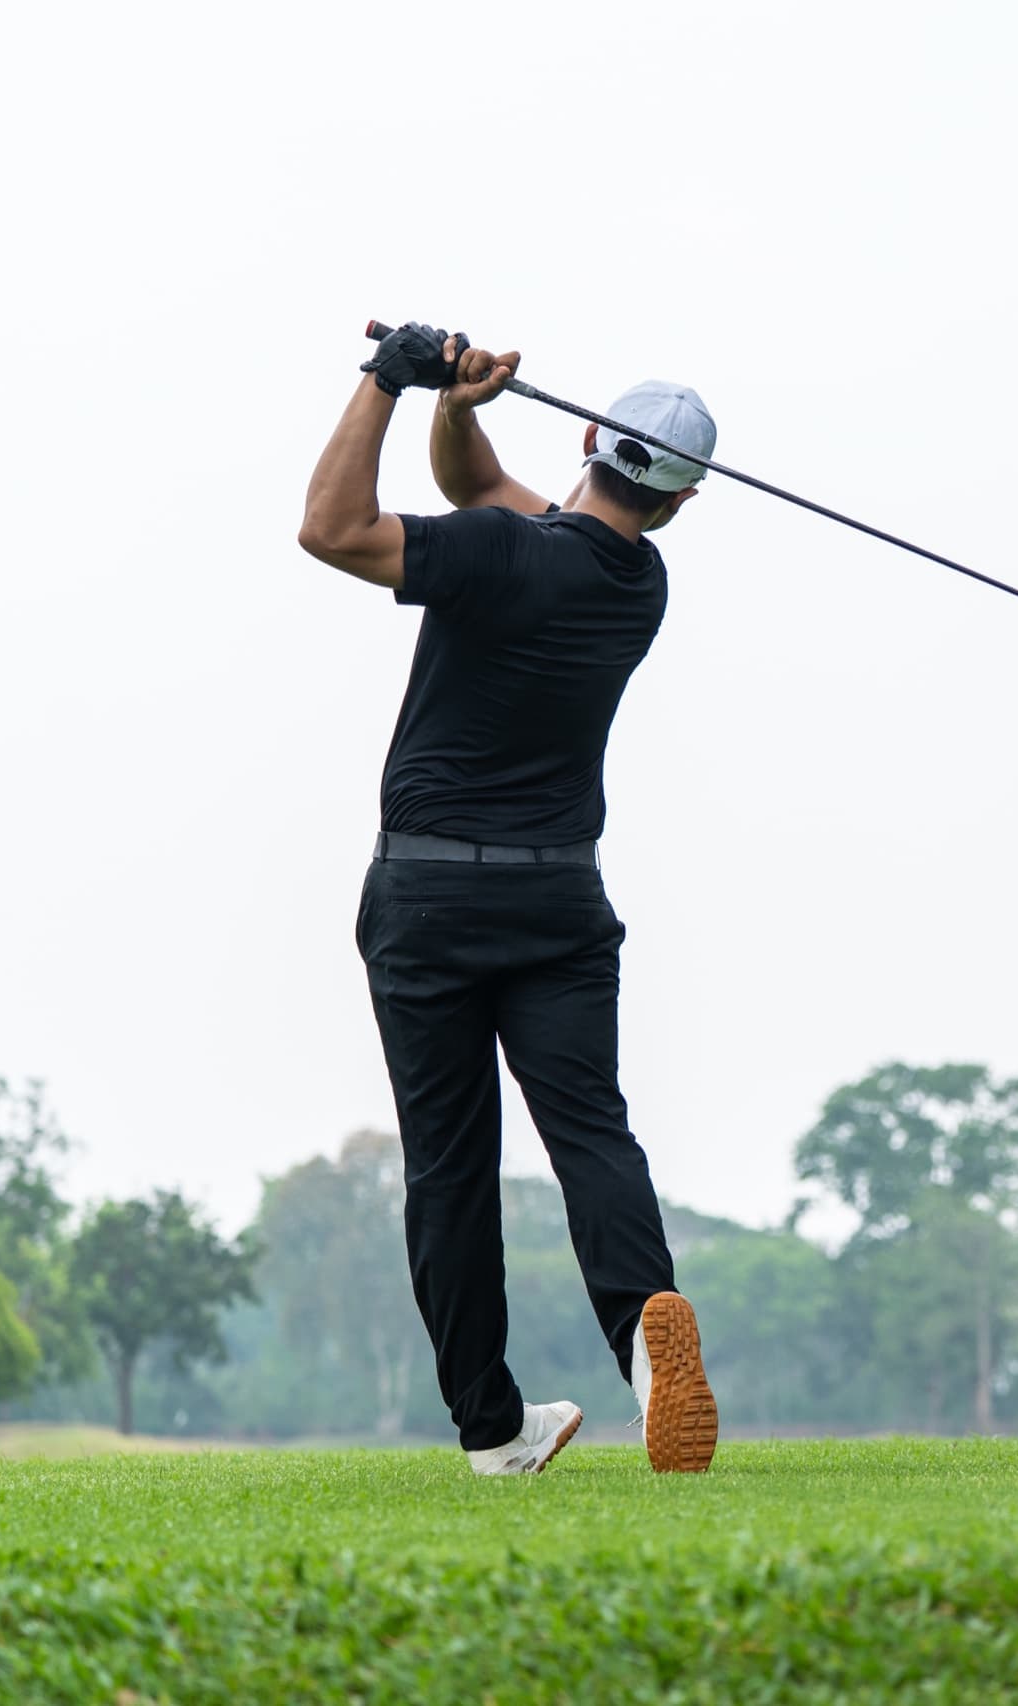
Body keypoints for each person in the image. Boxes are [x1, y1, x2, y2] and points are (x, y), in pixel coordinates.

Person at [296, 321, 719, 1475]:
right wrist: (458, 404)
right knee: (592, 1128)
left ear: (588, 436)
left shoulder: (499, 553)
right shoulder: (639, 581)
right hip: (561, 907)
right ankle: (644, 1328)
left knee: (449, 1166)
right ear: (679, 500)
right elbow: (480, 485)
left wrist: (387, 378)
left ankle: (490, 1426)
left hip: (428, 897)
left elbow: (329, 528)